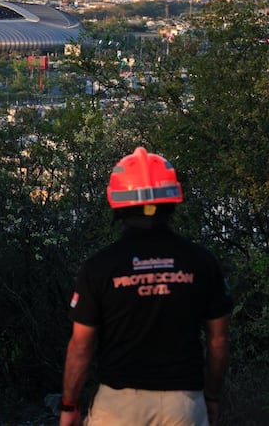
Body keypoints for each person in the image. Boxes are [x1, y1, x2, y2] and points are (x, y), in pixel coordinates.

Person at [60, 147, 231, 426]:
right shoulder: (201, 261)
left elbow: (81, 347)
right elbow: (219, 341)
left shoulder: (99, 267)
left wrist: (69, 405)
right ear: (172, 201)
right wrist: (211, 398)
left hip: (118, 406)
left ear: (118, 203)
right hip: (184, 404)